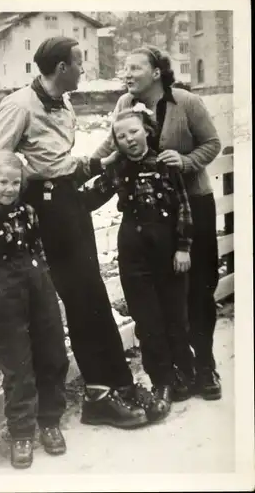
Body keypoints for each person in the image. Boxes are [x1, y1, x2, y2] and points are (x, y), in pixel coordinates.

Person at [0, 36, 167, 428]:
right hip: (47, 211)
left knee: (92, 293)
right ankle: (99, 395)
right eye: (79, 63)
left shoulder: (65, 103)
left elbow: (59, 162)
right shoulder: (19, 104)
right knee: (81, 299)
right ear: (62, 67)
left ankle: (118, 385)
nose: (83, 70)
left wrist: (101, 162)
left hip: (68, 204)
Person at [90, 45, 222, 400]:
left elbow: (212, 143)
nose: (127, 74)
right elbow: (111, 144)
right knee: (166, 295)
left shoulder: (186, 102)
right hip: (150, 218)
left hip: (191, 202)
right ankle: (176, 372)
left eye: (134, 68)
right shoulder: (122, 105)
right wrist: (84, 169)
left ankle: (205, 366)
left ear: (157, 72)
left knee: (198, 288)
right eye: (124, 68)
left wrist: (186, 160)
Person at [82, 105, 195, 412]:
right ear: (115, 142)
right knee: (147, 319)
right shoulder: (117, 169)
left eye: (133, 131)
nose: (129, 139)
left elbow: (183, 207)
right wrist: (55, 197)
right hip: (133, 249)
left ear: (147, 130)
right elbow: (91, 198)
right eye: (121, 136)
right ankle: (162, 383)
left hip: (168, 246)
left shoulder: (167, 162)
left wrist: (183, 247)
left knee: (175, 315)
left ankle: (185, 372)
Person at [0, 151, 69, 469]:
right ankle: (21, 433)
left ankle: (50, 421)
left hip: (38, 286)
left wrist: (45, 282)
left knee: (53, 353)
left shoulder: (28, 211)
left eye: (14, 182)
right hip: (5, 293)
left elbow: (37, 247)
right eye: (2, 182)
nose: (9, 188)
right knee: (17, 363)